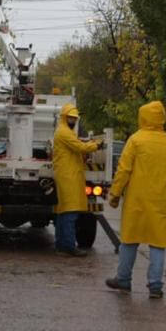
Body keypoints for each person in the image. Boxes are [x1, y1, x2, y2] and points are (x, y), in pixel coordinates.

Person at [105, 100, 166, 298]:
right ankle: (155, 286)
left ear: (143, 117)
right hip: (160, 203)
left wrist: (115, 193)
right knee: (158, 243)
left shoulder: (136, 140)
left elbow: (124, 169)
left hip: (136, 201)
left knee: (130, 240)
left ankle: (123, 279)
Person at [52, 103, 100, 256]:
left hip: (68, 174)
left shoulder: (64, 131)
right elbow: (81, 148)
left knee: (63, 211)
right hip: (68, 175)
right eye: (70, 118)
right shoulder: (64, 132)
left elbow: (78, 146)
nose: (73, 121)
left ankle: (61, 244)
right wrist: (96, 145)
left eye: (74, 118)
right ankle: (69, 246)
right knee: (70, 212)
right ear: (64, 118)